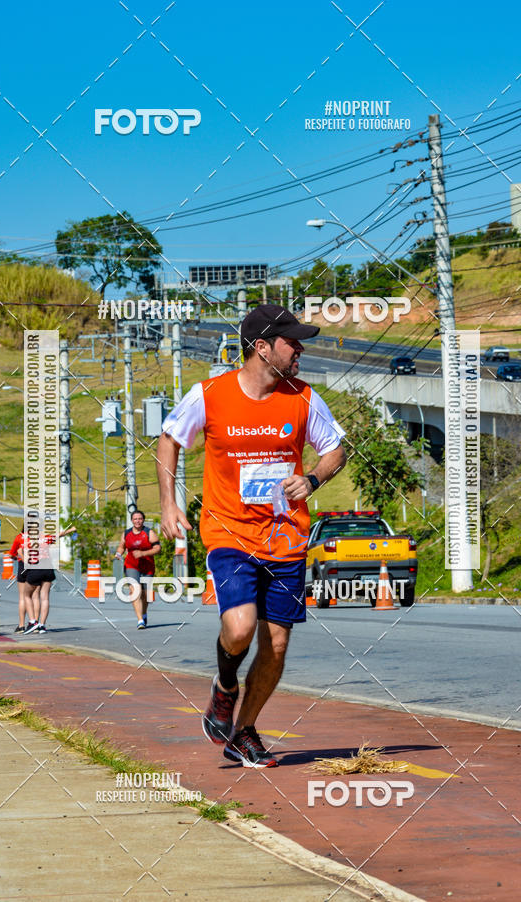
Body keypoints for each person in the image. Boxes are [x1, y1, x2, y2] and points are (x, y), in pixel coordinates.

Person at [157, 303, 346, 768]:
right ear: (262, 348)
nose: (299, 348)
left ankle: (243, 732)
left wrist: (313, 479)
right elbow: (169, 439)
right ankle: (225, 686)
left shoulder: (304, 398)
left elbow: (336, 450)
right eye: (291, 342)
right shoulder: (209, 395)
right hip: (229, 532)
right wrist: (167, 501)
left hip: (286, 539)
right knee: (239, 628)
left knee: (276, 646)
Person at [22, 527, 76, 634]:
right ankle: (42, 625)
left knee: (26, 595)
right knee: (45, 597)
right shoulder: (45, 538)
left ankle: (33, 621)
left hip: (36, 566)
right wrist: (71, 530)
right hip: (47, 567)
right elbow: (59, 535)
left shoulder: (28, 538)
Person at [115, 510, 161, 628]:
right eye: (135, 519)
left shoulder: (149, 533)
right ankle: (140, 620)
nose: (137, 521)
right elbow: (122, 546)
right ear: (132, 520)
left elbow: (157, 548)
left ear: (143, 520)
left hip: (147, 567)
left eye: (140, 519)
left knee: (145, 595)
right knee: (135, 591)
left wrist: (143, 553)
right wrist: (119, 554)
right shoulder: (126, 533)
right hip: (131, 566)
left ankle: (144, 613)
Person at [10, 525, 39, 633]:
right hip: (35, 566)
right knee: (35, 596)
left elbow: (12, 554)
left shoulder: (19, 537)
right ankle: (36, 623)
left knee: (23, 596)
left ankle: (21, 625)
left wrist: (16, 556)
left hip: (22, 565)